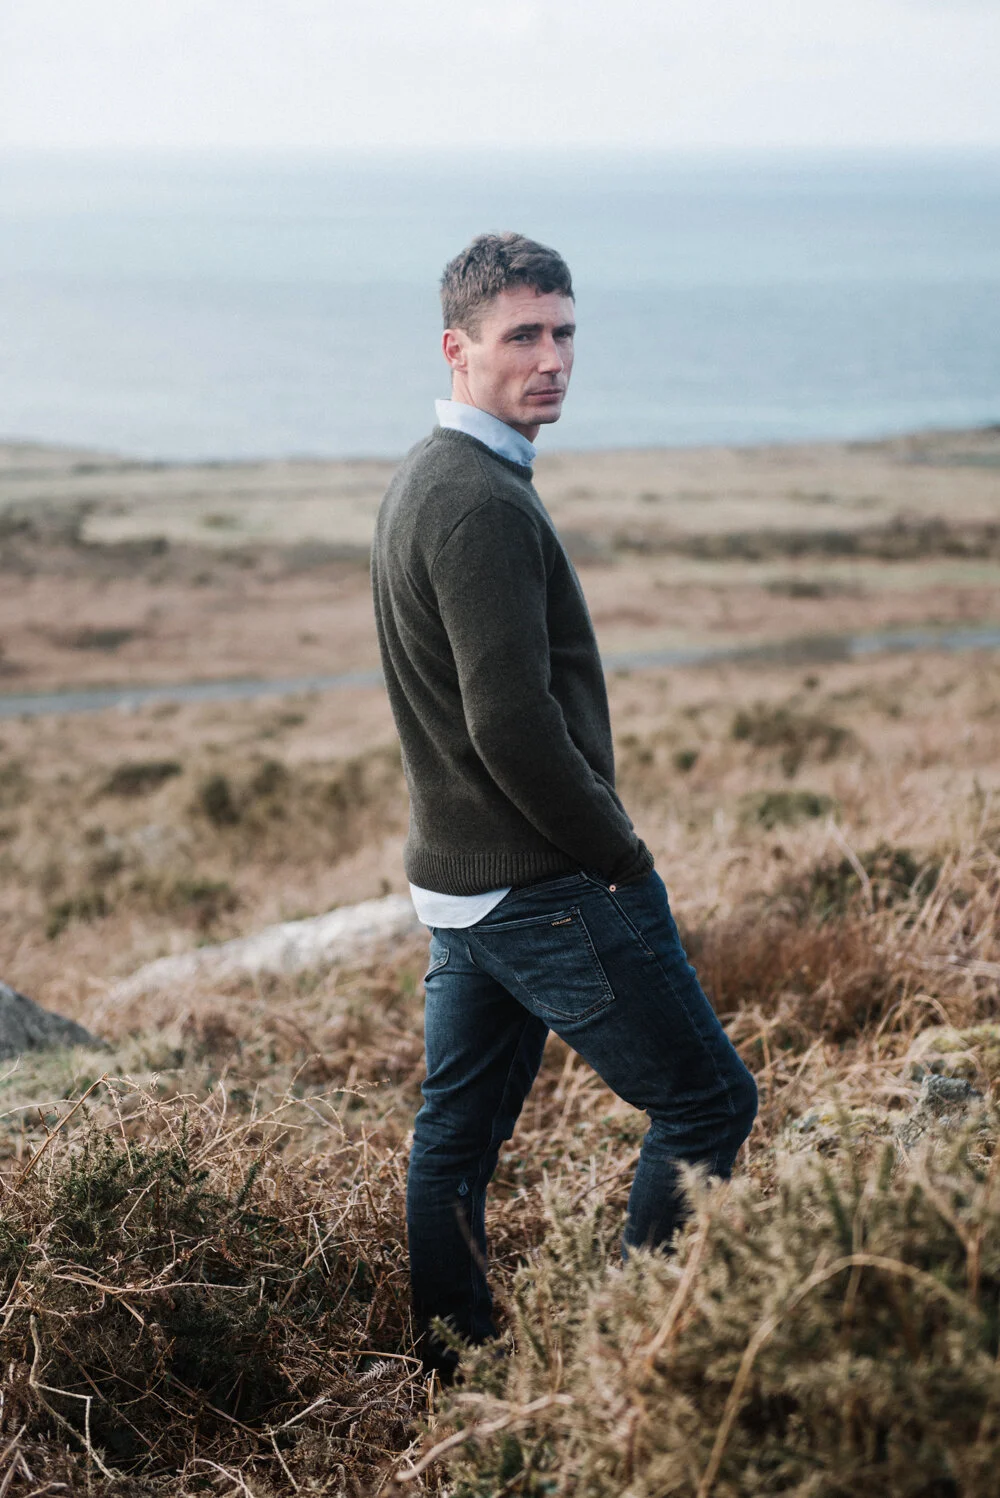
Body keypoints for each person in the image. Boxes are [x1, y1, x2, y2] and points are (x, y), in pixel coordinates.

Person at [370, 232, 757, 1377]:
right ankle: (633, 1367)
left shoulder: (429, 478)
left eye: (565, 332)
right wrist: (617, 853)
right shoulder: (479, 504)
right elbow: (509, 724)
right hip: (542, 883)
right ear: (458, 349)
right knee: (707, 1106)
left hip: (462, 887)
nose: (552, 359)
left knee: (455, 1137)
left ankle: (452, 1364)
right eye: (522, 336)